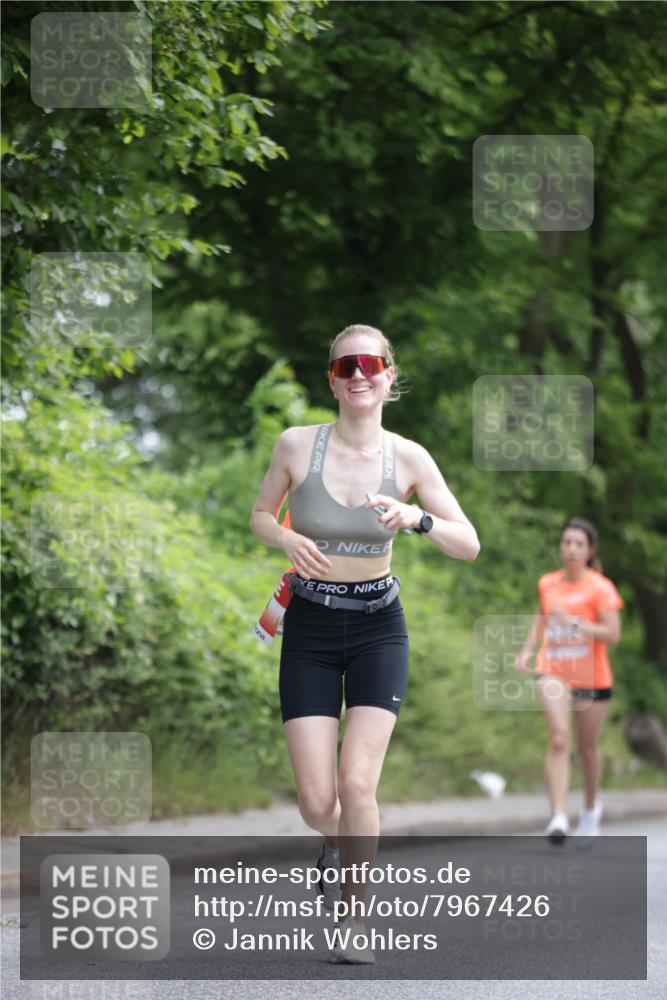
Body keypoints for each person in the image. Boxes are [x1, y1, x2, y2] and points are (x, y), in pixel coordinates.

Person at [249, 324, 480, 962]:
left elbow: (469, 543)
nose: (358, 375)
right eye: (346, 365)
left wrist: (419, 518)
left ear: (388, 375)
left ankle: (353, 919)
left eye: (371, 365)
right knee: (316, 803)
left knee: (357, 784)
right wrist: (286, 537)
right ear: (332, 379)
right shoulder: (297, 445)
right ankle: (341, 841)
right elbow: (260, 515)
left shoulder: (409, 458)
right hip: (311, 629)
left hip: (380, 628)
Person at [514, 518, 623, 843]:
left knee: (587, 748)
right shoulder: (547, 583)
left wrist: (575, 624)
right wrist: (527, 650)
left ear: (590, 551)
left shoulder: (600, 588)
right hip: (554, 668)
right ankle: (558, 816)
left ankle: (590, 809)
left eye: (579, 544)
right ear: (560, 547)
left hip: (592, 674)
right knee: (560, 737)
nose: (572, 549)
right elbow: (542, 616)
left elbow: (613, 634)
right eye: (567, 542)